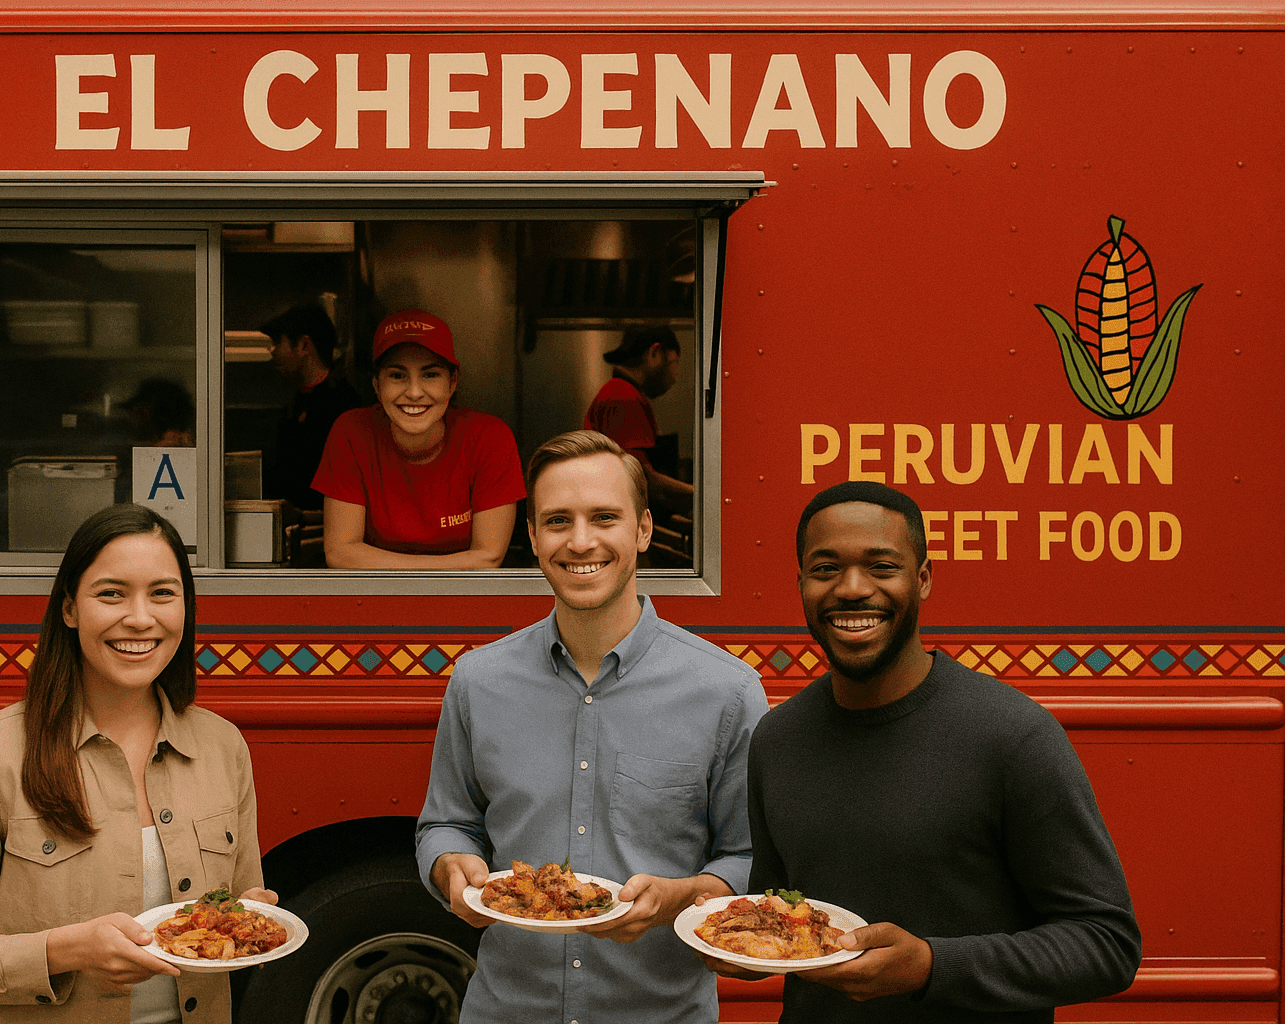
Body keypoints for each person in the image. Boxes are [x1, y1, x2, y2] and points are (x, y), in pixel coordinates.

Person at [708, 480, 1141, 1022]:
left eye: (881, 567)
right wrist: (738, 942)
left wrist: (932, 966)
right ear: (801, 585)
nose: (851, 588)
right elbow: (783, 914)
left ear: (924, 579)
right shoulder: (778, 738)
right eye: (826, 569)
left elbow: (1107, 944)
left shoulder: (1013, 735)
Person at [415, 429, 768, 1022]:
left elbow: (749, 856)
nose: (581, 542)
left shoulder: (727, 692)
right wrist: (450, 866)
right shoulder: (478, 681)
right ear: (533, 537)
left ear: (644, 530)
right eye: (558, 521)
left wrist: (680, 898)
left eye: (604, 517)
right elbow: (446, 822)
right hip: (507, 1011)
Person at [0, 504, 273, 1023]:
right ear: (69, 609)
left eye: (163, 593)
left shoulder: (222, 746)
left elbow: (235, 906)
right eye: (111, 594)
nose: (140, 618)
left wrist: (245, 917)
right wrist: (65, 952)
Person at [312, 308, 525, 568]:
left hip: (467, 593)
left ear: (452, 382)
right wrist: (442, 568)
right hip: (371, 593)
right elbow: (340, 553)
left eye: (430, 374)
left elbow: (488, 556)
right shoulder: (351, 432)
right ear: (377, 385)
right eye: (397, 375)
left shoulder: (489, 437)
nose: (414, 393)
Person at [259, 302, 361, 511]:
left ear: (304, 345)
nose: (272, 351)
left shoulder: (343, 407)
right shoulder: (296, 402)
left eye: (277, 342)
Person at [583, 325, 692, 514]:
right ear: (655, 352)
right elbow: (641, 479)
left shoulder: (620, 392)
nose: (674, 377)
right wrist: (699, 493)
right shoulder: (622, 396)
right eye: (675, 362)